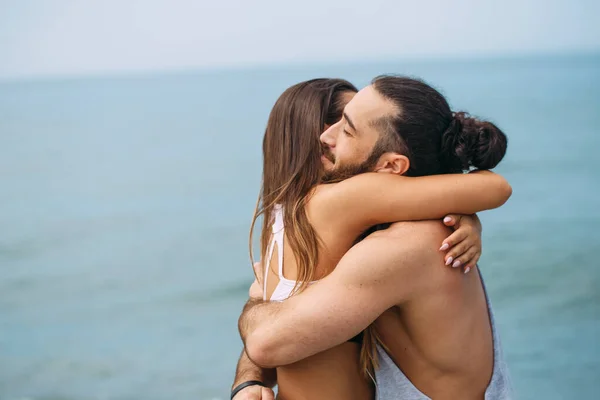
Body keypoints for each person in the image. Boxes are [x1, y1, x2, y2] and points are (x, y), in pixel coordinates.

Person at [233, 77, 512, 400]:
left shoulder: (395, 243)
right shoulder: (360, 230)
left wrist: (258, 299)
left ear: (391, 165)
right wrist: (249, 381)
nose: (327, 138)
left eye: (347, 129)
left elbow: (265, 341)